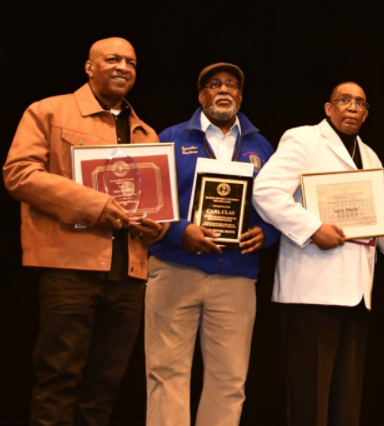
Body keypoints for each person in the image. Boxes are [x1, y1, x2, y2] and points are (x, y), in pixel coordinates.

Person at [3, 38, 165, 425]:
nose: (123, 67)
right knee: (59, 377)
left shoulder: (147, 134)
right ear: (89, 67)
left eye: (131, 61)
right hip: (70, 268)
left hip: (128, 275)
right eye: (112, 59)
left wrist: (157, 226)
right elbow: (19, 174)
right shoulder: (48, 111)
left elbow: (159, 211)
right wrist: (95, 205)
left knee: (104, 386)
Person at [252, 82, 384, 426]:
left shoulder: (370, 156)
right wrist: (311, 229)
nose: (353, 108)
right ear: (328, 108)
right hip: (310, 290)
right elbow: (264, 191)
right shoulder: (303, 139)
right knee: (311, 399)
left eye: (361, 104)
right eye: (345, 100)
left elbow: (374, 219)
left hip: (356, 293)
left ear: (367, 114)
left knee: (346, 401)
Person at [144, 63, 280, 426]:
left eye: (232, 85)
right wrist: (178, 232)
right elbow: (148, 203)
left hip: (236, 278)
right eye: (214, 84)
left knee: (230, 381)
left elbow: (280, 202)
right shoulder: (169, 138)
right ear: (201, 95)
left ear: (240, 96)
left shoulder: (261, 145)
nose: (224, 89)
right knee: (166, 375)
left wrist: (268, 231)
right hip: (175, 268)